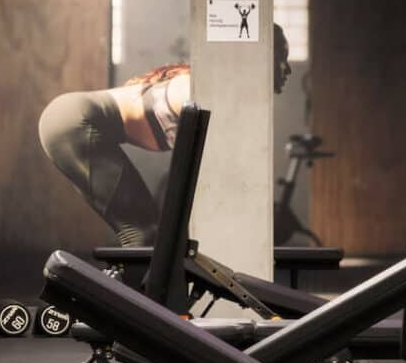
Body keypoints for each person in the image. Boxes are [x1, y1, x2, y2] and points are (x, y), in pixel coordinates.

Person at [39, 24, 291, 245]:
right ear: (263, 57)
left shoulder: (219, 92)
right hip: (73, 121)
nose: (288, 70)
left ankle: (134, 296)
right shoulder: (204, 90)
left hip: (69, 119)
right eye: (283, 58)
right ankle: (131, 300)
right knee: (142, 234)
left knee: (150, 235)